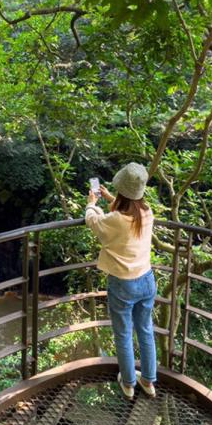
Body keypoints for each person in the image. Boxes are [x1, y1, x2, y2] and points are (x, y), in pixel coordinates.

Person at [85, 162, 157, 399]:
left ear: (121, 190)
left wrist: (92, 204)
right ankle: (148, 381)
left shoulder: (115, 219)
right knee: (145, 331)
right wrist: (109, 198)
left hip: (123, 284)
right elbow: (127, 213)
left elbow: (94, 222)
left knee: (124, 334)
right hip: (147, 280)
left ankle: (128, 383)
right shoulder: (147, 213)